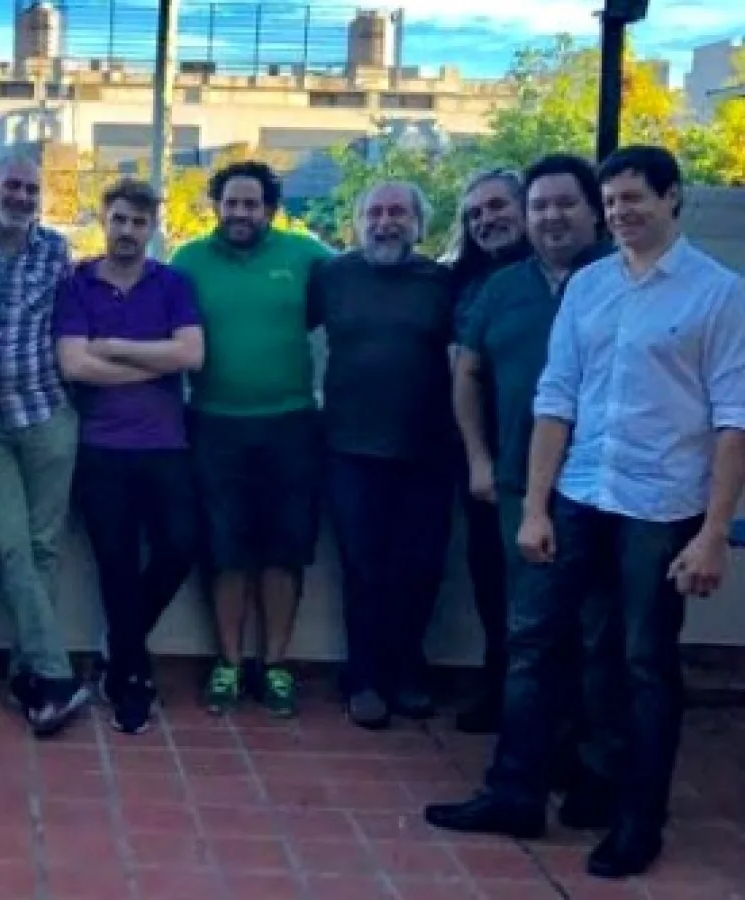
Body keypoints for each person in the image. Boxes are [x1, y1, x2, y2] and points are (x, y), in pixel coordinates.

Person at [434, 146, 745, 880]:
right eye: (612, 201)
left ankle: (637, 820)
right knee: (532, 641)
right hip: (577, 494)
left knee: (641, 662)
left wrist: (712, 533)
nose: (621, 212)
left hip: (659, 506)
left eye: (634, 198)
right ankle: (514, 793)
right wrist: (536, 508)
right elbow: (557, 397)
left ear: (672, 198)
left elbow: (734, 419)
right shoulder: (590, 286)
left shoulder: (719, 294)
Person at [427, 153, 620, 848]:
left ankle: (595, 777)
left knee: (602, 638)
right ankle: (517, 788)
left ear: (594, 210)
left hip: (610, 489)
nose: (550, 218)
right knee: (530, 639)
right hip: (520, 487)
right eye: (540, 206)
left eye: (564, 204)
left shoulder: (622, 279)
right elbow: (466, 374)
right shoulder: (501, 288)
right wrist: (479, 460)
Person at [170, 160, 333, 718]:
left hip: (291, 424)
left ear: (270, 209)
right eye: (231, 203)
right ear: (216, 207)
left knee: (285, 549)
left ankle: (277, 665)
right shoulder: (188, 261)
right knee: (225, 550)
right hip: (213, 424)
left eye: (252, 204)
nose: (240, 213)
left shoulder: (307, 257)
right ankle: (230, 663)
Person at [0, 156, 89, 737]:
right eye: (12, 186)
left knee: (45, 547)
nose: (22, 196)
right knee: (8, 545)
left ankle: (25, 676)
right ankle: (54, 673)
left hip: (46, 411)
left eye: (31, 188)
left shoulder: (55, 251)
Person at [53, 178, 203, 735]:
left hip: (166, 445)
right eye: (119, 219)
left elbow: (191, 355)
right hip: (100, 448)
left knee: (181, 546)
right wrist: (154, 362)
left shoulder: (173, 283)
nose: (128, 230)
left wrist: (113, 348)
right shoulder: (77, 285)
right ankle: (132, 679)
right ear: (104, 220)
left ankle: (119, 648)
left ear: (152, 228)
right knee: (114, 564)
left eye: (139, 222)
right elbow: (74, 365)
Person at [309, 181, 455, 729]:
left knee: (421, 567)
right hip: (349, 447)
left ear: (419, 223)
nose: (385, 222)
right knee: (363, 568)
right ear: (357, 222)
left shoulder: (442, 282)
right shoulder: (332, 277)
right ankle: (364, 678)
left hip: (427, 449)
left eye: (398, 213)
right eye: (375, 212)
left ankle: (408, 671)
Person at [445, 168, 531, 734]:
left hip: (552, 454)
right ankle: (500, 687)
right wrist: (478, 458)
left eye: (497, 207)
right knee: (490, 576)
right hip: (482, 453)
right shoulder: (466, 283)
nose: (486, 220)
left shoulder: (568, 278)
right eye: (475, 214)